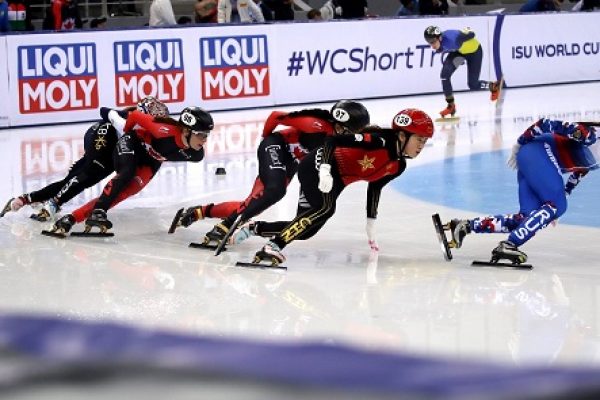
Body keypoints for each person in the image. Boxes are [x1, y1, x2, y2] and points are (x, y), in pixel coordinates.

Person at [243, 108, 435, 265]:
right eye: (419, 139)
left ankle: (254, 228)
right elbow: (333, 140)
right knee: (325, 208)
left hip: (337, 180)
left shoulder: (398, 165)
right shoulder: (379, 141)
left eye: (424, 141)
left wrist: (370, 221)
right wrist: (325, 168)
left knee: (307, 230)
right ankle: (273, 247)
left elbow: (375, 188)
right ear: (402, 135)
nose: (421, 146)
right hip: (319, 163)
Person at [173, 100, 370, 247]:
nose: (353, 137)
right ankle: (227, 224)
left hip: (291, 161)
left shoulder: (341, 136)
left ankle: (199, 212)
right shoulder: (315, 124)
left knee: (252, 204)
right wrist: (265, 140)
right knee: (275, 191)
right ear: (340, 126)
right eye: (352, 132)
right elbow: (276, 116)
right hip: (277, 146)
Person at [444, 119, 600, 264]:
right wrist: (519, 143)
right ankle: (509, 245)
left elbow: (581, 171)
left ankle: (465, 226)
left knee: (525, 219)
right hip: (537, 152)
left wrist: (559, 199)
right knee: (559, 205)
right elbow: (544, 123)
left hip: (534, 159)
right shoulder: (591, 135)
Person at [48, 106, 214, 236]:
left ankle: (72, 217)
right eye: (201, 134)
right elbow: (134, 115)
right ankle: (99, 211)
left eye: (207, 135)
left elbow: (166, 153)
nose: (204, 140)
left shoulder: (196, 154)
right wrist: (126, 133)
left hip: (151, 161)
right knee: (125, 174)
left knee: (126, 192)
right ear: (186, 130)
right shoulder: (162, 130)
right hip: (133, 143)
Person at [0, 97, 169, 222]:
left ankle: (26, 198)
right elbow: (104, 110)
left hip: (117, 147)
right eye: (153, 120)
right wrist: (116, 114)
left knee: (72, 179)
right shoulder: (124, 121)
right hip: (104, 135)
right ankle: (54, 203)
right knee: (88, 175)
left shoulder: (151, 130)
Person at [423, 25, 502, 119]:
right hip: (459, 53)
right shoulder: (441, 43)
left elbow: (472, 34)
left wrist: (467, 32)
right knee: (444, 75)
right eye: (429, 43)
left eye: (433, 42)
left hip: (474, 52)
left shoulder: (453, 39)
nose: (432, 45)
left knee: (473, 85)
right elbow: (443, 48)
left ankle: (493, 86)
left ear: (439, 38)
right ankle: (451, 106)